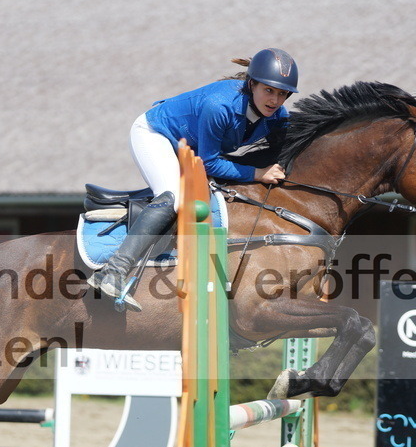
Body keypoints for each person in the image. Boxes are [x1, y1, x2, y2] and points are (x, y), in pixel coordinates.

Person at [87, 48, 299, 311]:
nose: (276, 100)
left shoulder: (278, 118)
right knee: (173, 197)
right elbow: (209, 162)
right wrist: (257, 174)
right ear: (251, 83)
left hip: (190, 149)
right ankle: (113, 272)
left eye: (282, 93)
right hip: (156, 134)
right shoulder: (219, 106)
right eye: (269, 90)